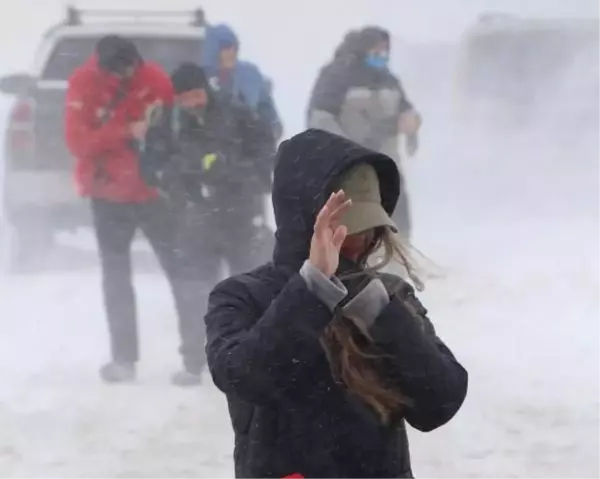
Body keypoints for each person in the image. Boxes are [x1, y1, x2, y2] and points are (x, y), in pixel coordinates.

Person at [204, 128, 468, 479]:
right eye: (344, 228)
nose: (361, 240)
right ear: (304, 223)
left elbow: (439, 403)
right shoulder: (243, 296)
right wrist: (312, 290)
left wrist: (380, 314)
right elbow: (246, 377)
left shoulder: (389, 296)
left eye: (369, 226)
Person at [64, 36, 206, 386]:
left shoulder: (155, 79)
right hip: (107, 195)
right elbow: (77, 142)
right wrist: (124, 131)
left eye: (134, 66)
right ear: (106, 67)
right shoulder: (82, 85)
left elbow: (180, 132)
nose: (132, 73)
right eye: (125, 69)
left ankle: (195, 357)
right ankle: (123, 359)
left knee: (181, 272)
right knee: (116, 279)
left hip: (154, 195)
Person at [140, 62, 272, 286]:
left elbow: (266, 154)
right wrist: (185, 171)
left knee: (248, 289)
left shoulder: (236, 112)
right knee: (199, 294)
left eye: (197, 95)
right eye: (186, 99)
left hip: (240, 215)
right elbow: (150, 168)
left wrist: (232, 169)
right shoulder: (167, 122)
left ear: (207, 90)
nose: (193, 104)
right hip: (192, 222)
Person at [307, 27, 422, 240]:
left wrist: (412, 121)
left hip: (386, 167)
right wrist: (346, 152)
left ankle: (396, 266)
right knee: (350, 230)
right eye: (377, 50)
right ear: (363, 49)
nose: (382, 55)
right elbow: (320, 118)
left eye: (386, 51)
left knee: (397, 225)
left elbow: (405, 110)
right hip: (348, 170)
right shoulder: (337, 76)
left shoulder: (389, 80)